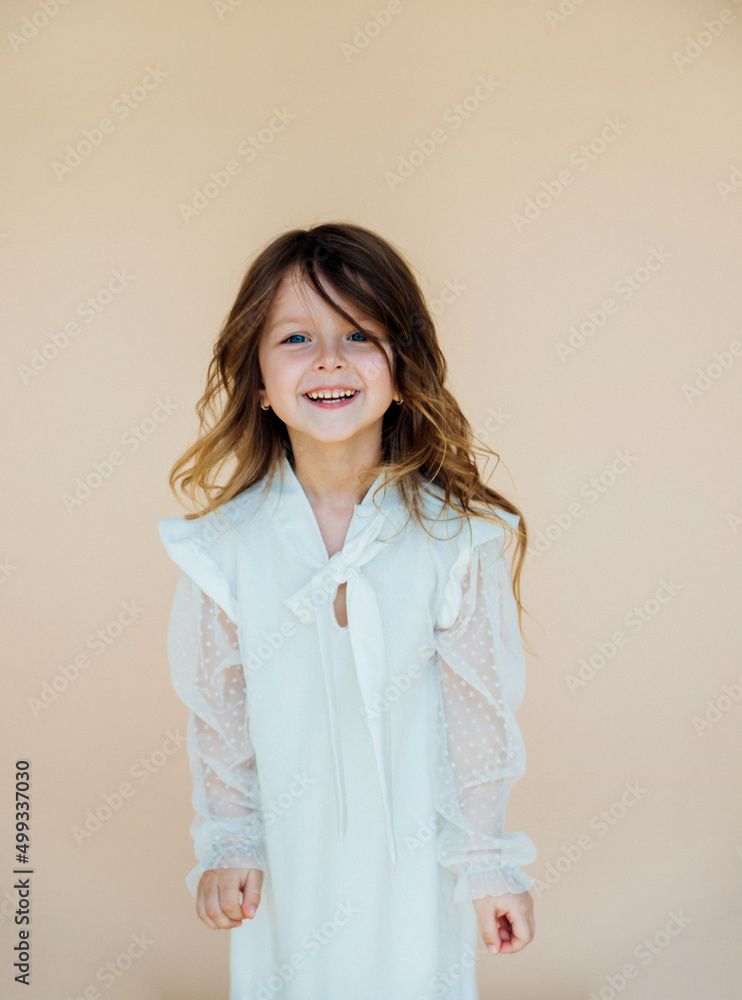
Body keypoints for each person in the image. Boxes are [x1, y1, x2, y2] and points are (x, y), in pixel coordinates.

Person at [157, 221, 538, 999]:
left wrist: (487, 866)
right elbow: (221, 717)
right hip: (287, 864)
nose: (329, 358)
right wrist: (230, 845)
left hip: (413, 864)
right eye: (296, 337)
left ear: (403, 373)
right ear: (259, 383)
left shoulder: (454, 540)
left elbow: (476, 719)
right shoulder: (224, 550)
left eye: (359, 334)